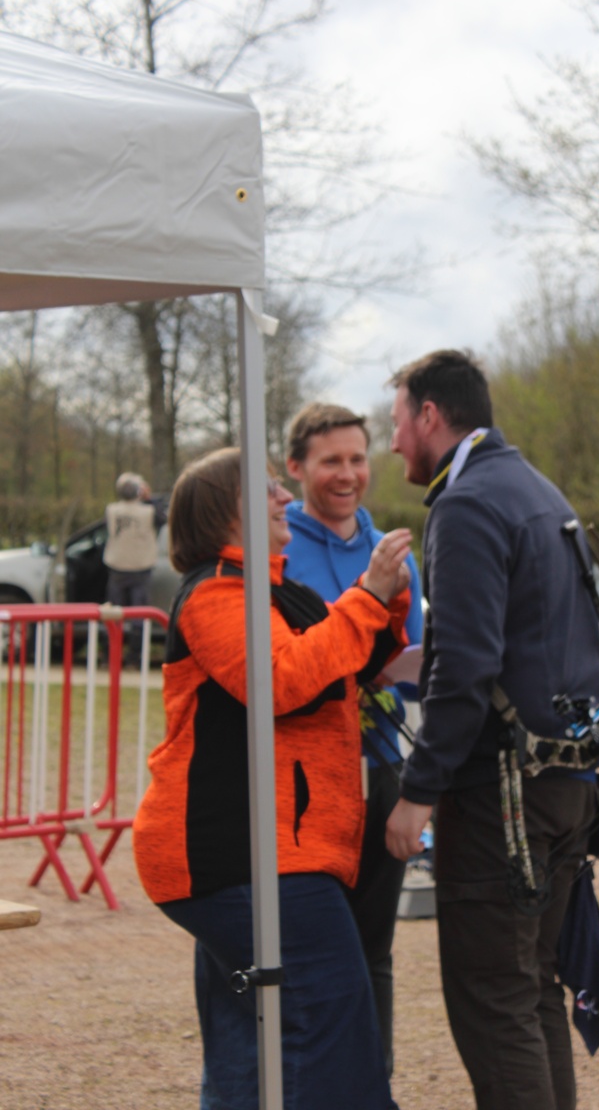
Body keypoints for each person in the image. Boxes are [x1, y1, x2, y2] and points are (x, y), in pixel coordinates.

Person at [132, 446, 411, 1110]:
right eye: (266, 490)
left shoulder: (275, 592)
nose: (286, 497)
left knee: (247, 1040)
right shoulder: (215, 595)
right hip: (242, 855)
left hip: (266, 852)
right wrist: (368, 595)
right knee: (335, 1020)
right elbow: (281, 680)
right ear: (226, 512)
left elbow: (346, 657)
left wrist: (388, 600)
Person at [384, 350, 599, 1110]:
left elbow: (466, 667)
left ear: (430, 416)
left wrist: (418, 792)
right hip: (566, 784)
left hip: (502, 797)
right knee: (531, 992)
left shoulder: (467, 503)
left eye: (396, 423)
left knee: (494, 1005)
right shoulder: (535, 487)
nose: (392, 443)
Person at [283, 402, 423, 1076]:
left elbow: (414, 656)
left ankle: (374, 1082)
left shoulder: (390, 550)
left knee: (374, 949)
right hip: (304, 779)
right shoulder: (277, 547)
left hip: (380, 764)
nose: (348, 474)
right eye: (330, 461)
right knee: (306, 949)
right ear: (296, 466)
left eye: (358, 459)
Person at [103, 471, 166, 664]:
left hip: (117, 566)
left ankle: (111, 655)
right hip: (141, 567)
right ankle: (135, 657)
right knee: (139, 615)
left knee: (113, 614)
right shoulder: (149, 511)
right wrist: (149, 497)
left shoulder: (111, 510)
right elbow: (163, 517)